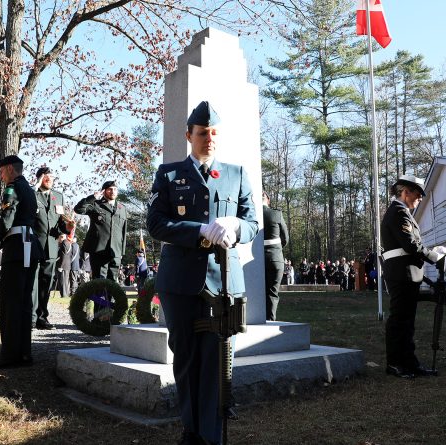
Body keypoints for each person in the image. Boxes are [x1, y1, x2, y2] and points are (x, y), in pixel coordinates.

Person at [146, 101, 259, 445]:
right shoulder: (168, 174)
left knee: (217, 359)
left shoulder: (236, 174)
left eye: (213, 133)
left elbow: (254, 223)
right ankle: (191, 428)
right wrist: (197, 231)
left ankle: (211, 434)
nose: (208, 138)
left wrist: (234, 227)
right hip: (180, 282)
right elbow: (156, 223)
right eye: (201, 133)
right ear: (189, 135)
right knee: (186, 357)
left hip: (223, 281)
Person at [381, 175, 446, 379]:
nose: (420, 198)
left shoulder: (402, 214)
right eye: (418, 194)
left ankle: (409, 363)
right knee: (399, 320)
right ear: (405, 192)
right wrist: (433, 255)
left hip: (407, 273)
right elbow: (411, 245)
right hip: (401, 274)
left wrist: (430, 252)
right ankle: (394, 363)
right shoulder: (398, 213)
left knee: (407, 321)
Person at [0, 154, 43, 369]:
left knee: (9, 303)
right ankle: (24, 353)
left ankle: (8, 355)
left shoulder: (13, 188)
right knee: (24, 303)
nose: (0, 176)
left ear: (8, 169)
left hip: (17, 249)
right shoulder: (30, 190)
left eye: (1, 172)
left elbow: (7, 218)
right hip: (30, 247)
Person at [31, 166, 73, 329]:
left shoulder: (58, 196)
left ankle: (42, 317)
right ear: (40, 178)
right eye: (47, 177)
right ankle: (31, 317)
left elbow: (60, 223)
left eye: (52, 177)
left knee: (46, 283)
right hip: (34, 244)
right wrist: (36, 185)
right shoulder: (32, 194)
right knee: (33, 283)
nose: (50, 180)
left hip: (51, 248)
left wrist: (67, 227)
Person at [74, 180, 128, 281]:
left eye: (115, 189)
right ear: (104, 191)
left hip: (115, 251)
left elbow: (123, 231)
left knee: (113, 282)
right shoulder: (95, 204)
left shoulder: (122, 208)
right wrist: (92, 197)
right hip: (98, 249)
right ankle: (100, 297)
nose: (113, 192)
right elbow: (78, 209)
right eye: (110, 189)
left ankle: (111, 298)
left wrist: (121, 252)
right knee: (99, 281)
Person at [262, 191, 288, 321]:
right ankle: (270, 322)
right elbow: (285, 238)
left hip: (254, 261)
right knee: (272, 294)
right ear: (268, 200)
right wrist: (276, 250)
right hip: (275, 258)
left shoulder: (251, 215)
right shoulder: (276, 214)